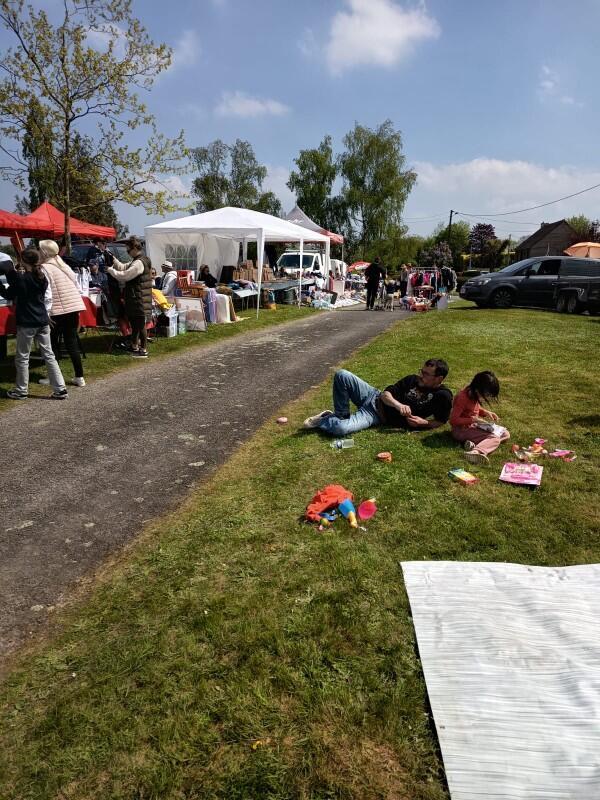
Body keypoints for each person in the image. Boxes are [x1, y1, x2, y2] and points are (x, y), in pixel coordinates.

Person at [303, 359, 452, 436]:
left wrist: (423, 423)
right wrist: (397, 405)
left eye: (426, 374)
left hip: (375, 414)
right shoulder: (412, 379)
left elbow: (441, 421)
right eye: (422, 371)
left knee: (340, 428)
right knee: (342, 375)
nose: (421, 375)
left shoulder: (443, 396)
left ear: (439, 379)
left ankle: (327, 418)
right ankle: (341, 414)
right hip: (372, 396)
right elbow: (385, 394)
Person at [0, 249, 68, 400]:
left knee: (23, 357)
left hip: (27, 322)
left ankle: (21, 390)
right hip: (42, 320)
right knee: (49, 355)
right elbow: (18, 281)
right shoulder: (41, 277)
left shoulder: (22, 279)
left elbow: (9, 294)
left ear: (24, 261)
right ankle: (60, 388)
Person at [39, 239, 86, 388]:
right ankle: (80, 377)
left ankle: (53, 377)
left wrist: (46, 313)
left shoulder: (45, 267)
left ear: (45, 252)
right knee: (71, 343)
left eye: (40, 249)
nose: (38, 252)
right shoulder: (63, 264)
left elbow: (47, 293)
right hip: (73, 307)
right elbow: (76, 285)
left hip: (57, 309)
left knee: (52, 344)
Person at [450, 371, 510, 465]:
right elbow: (453, 420)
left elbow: (473, 409)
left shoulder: (473, 394)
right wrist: (474, 420)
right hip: (461, 430)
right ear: (478, 389)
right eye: (487, 394)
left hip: (472, 426)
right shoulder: (462, 398)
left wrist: (485, 412)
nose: (487, 397)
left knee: (505, 434)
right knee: (495, 438)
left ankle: (474, 444)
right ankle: (475, 452)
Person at [106, 236, 152, 358]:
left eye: (128, 250)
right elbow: (123, 267)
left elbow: (125, 275)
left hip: (139, 297)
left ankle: (143, 350)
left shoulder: (139, 262)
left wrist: (111, 271)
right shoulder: (138, 260)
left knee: (140, 324)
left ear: (134, 248)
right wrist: (113, 258)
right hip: (136, 296)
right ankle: (134, 346)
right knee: (135, 323)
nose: (127, 252)